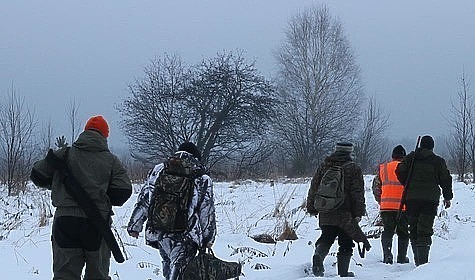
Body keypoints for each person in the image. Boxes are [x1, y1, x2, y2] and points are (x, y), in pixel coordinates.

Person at [30, 115, 133, 280]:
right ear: (105, 136)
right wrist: (102, 196)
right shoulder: (111, 161)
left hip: (65, 222)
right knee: (97, 276)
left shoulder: (64, 154)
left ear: (84, 132)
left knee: (64, 275)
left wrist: (56, 183)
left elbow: (37, 175)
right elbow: (122, 193)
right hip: (96, 224)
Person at [127, 142, 216, 280]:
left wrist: (135, 225)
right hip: (186, 235)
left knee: (169, 266)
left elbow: (145, 199)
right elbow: (206, 211)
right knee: (180, 272)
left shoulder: (159, 170)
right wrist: (208, 238)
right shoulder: (201, 177)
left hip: (160, 231)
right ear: (196, 157)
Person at [306, 142, 366, 277]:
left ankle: (318, 256)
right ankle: (343, 273)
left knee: (326, 237)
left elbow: (314, 187)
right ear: (350, 152)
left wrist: (312, 207)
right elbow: (357, 192)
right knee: (346, 241)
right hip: (346, 211)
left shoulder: (324, 166)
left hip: (326, 209)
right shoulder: (354, 168)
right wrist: (359, 212)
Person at [395, 135, 453, 266]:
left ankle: (418, 262)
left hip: (412, 199)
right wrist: (447, 197)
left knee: (414, 228)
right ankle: (423, 264)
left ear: (421, 145)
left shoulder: (411, 158)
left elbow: (399, 171)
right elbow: (445, 179)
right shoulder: (438, 161)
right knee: (424, 230)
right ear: (432, 147)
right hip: (430, 200)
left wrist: (407, 183)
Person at [372, 145, 410, 264]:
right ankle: (402, 257)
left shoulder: (383, 168)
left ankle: (387, 255)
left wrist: (381, 201)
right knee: (403, 233)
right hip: (403, 207)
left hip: (386, 207)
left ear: (392, 156)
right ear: (404, 157)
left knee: (388, 231)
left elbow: (376, 188)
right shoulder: (408, 169)